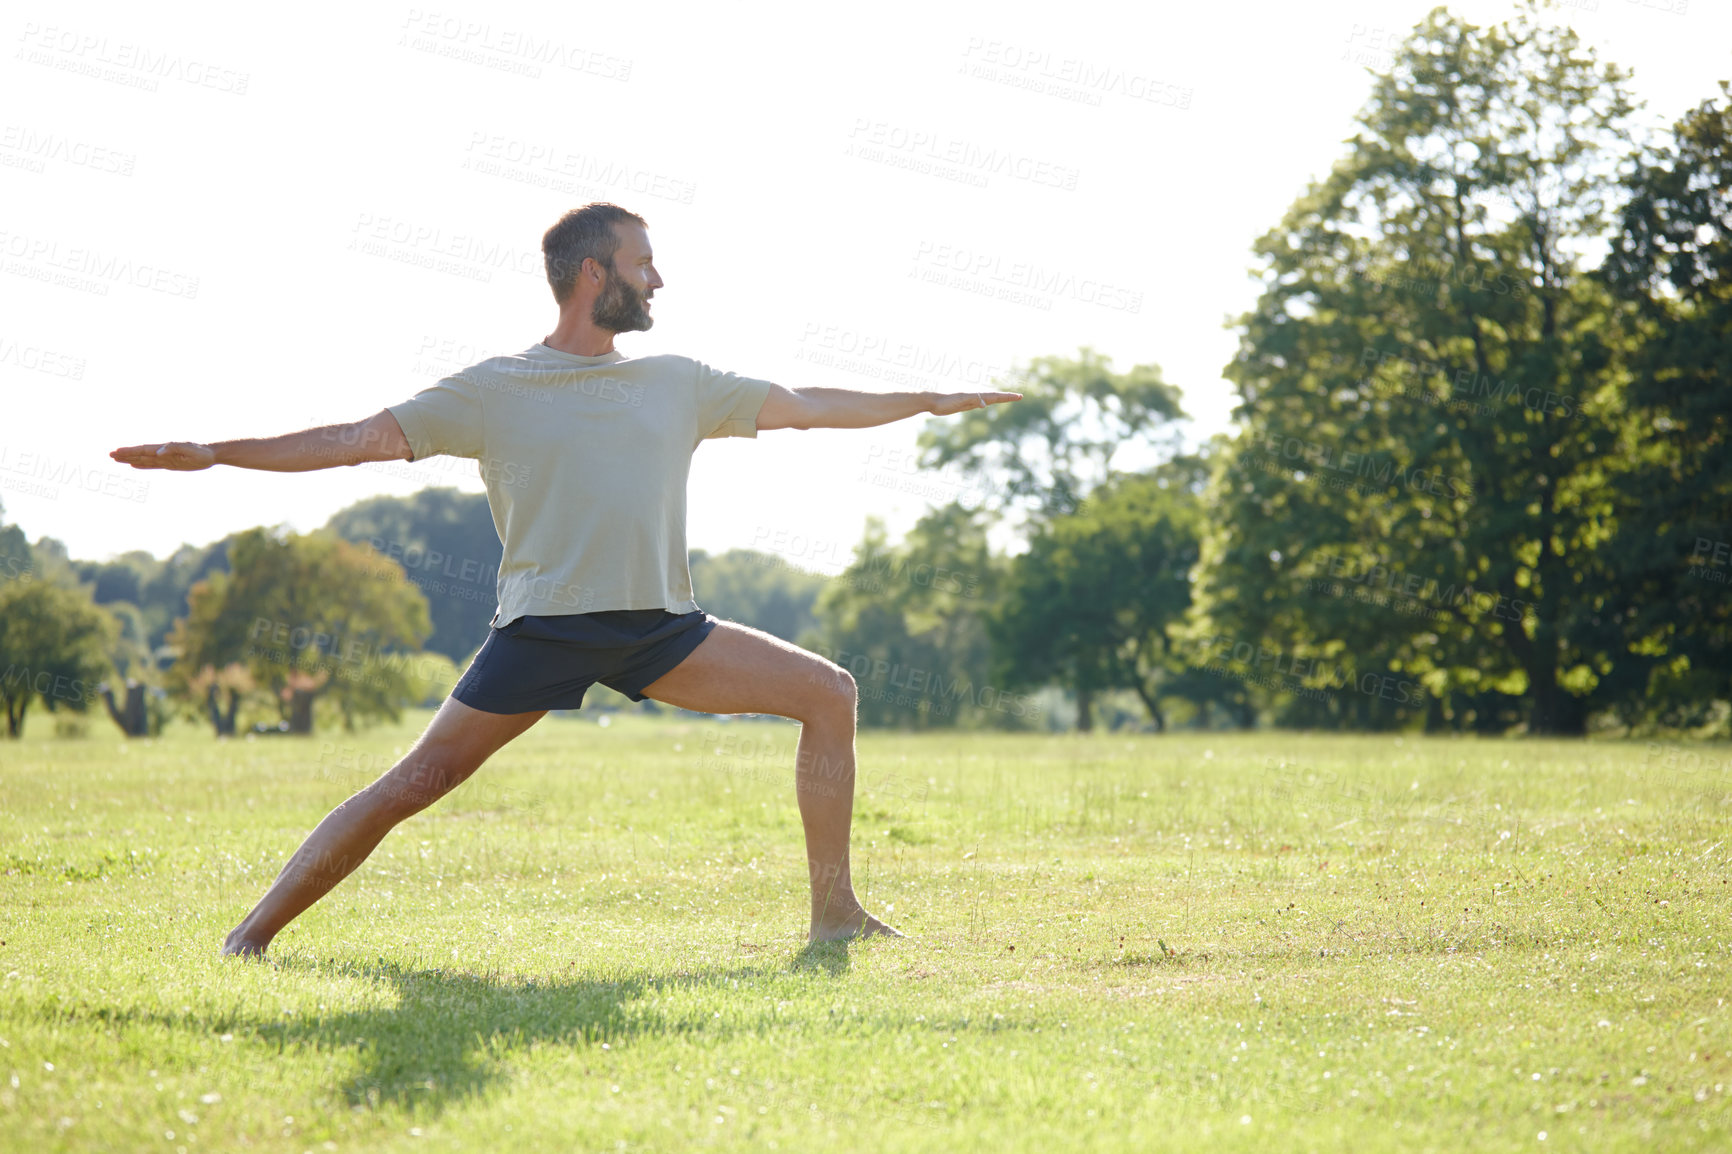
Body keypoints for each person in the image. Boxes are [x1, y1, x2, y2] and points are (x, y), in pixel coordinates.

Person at [110, 202, 1022, 956]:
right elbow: (355, 441)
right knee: (413, 782)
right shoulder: (493, 388)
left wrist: (929, 399)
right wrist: (218, 454)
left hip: (663, 627)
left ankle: (834, 913)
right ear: (596, 274)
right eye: (645, 263)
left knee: (829, 693)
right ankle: (249, 938)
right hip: (544, 630)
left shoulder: (679, 380)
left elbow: (814, 407)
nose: (659, 280)